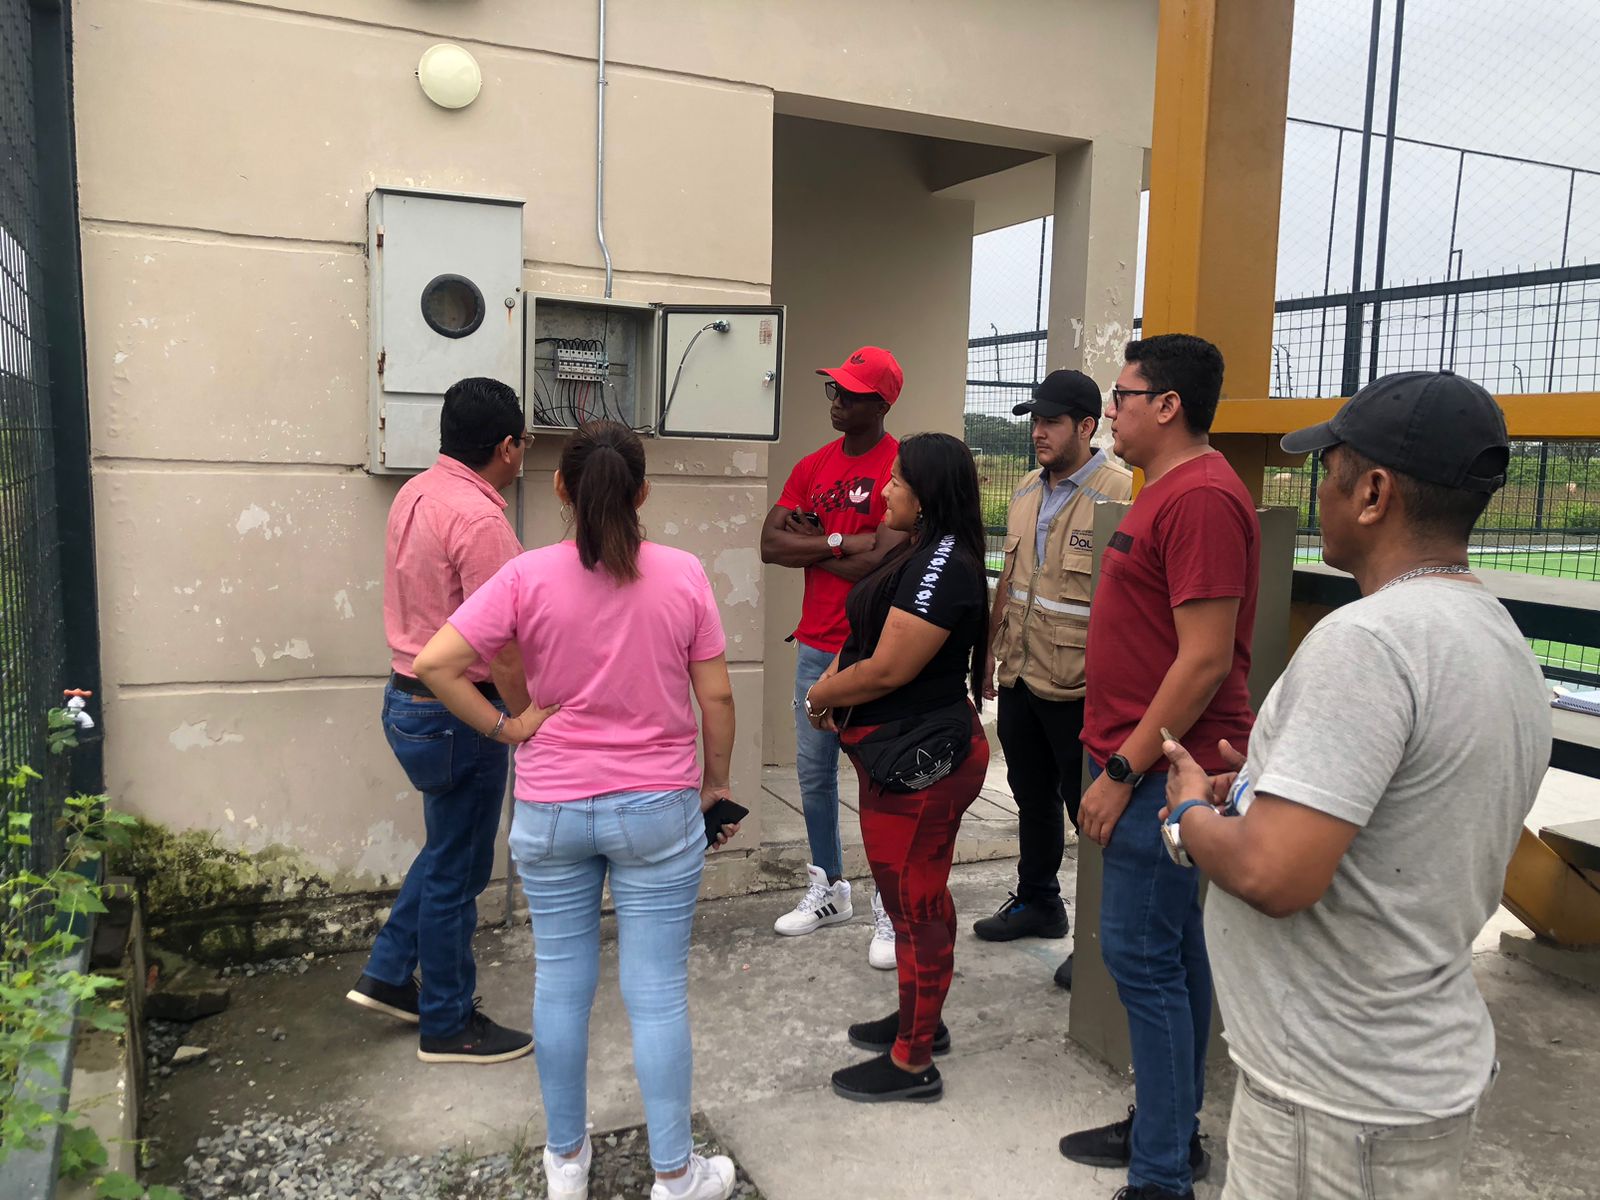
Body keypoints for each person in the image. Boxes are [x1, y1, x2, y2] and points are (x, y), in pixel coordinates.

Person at [1157, 370, 1551, 1200]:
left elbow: (1273, 873)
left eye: (1327, 470)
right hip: (1401, 1075)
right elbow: (1408, 812)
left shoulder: (1368, 642)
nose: (1319, 490)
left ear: (1373, 493)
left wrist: (1190, 811)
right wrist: (1262, 793)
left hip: (1334, 1103)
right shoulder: (1492, 633)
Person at [412, 420, 742, 1200]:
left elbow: (435, 664)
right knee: (655, 991)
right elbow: (718, 698)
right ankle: (675, 1175)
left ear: (560, 488)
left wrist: (509, 728)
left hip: (552, 807)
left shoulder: (524, 576)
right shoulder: (685, 574)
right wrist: (715, 785)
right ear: (642, 494)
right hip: (657, 809)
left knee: (560, 986)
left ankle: (565, 1163)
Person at [1058, 335, 1260, 1200]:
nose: (1112, 411)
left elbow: (1204, 659)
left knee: (1143, 959)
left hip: (1161, 774)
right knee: (1171, 953)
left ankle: (1161, 1176)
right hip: (1144, 765)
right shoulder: (1165, 492)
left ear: (1168, 404)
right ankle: (1170, 1130)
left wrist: (1120, 769)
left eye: (1123, 395)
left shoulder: (1203, 498)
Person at [344, 376, 536, 1065]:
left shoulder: (418, 492)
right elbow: (503, 643)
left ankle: (389, 973)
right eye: (524, 442)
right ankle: (449, 1023)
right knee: (459, 871)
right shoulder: (480, 521)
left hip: (409, 700)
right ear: (507, 446)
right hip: (460, 711)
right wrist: (525, 718)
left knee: (446, 848)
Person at [803, 433, 992, 1104]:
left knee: (915, 904)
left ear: (926, 494)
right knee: (910, 899)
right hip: (895, 756)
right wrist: (831, 688)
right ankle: (921, 1018)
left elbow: (888, 668)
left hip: (922, 765)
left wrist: (820, 695)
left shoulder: (945, 565)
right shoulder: (918, 549)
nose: (884, 491)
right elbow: (862, 637)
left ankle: (914, 1063)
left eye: (896, 482)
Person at [975, 369, 1132, 991]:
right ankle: (1039, 901)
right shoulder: (1024, 491)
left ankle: (1097, 939)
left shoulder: (1122, 493)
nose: (1038, 432)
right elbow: (1010, 585)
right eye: (1035, 421)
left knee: (1087, 810)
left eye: (1052, 422)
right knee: (1030, 795)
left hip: (1080, 685)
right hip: (1020, 674)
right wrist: (987, 654)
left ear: (1087, 426)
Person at [759, 346, 911, 966]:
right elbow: (771, 544)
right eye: (835, 390)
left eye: (851, 394)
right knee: (814, 774)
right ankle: (830, 888)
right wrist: (843, 542)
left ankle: (890, 906)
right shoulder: (812, 466)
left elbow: (887, 561)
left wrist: (817, 541)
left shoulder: (900, 467)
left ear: (881, 404)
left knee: (880, 777)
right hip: (815, 644)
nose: (838, 401)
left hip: (873, 648)